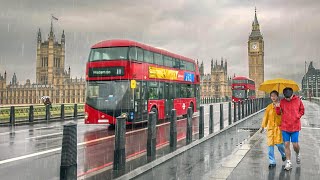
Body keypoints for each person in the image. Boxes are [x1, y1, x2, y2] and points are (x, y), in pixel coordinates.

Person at [276, 87, 305, 170]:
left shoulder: (298, 100)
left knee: (295, 145)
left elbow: (302, 110)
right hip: (285, 126)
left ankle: (297, 153)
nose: (288, 99)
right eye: (286, 98)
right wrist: (277, 107)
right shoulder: (282, 101)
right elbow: (278, 113)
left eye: (289, 97)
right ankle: (288, 162)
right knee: (286, 144)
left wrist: (298, 116)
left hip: (295, 126)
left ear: (292, 94)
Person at [260, 90, 286, 168]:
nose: (273, 97)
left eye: (274, 95)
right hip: (270, 129)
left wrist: (278, 109)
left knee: (279, 144)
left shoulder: (282, 106)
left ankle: (283, 154)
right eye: (271, 96)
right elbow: (266, 117)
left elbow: (284, 117)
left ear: (277, 96)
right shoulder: (269, 107)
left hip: (278, 128)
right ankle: (272, 162)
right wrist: (263, 126)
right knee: (270, 146)